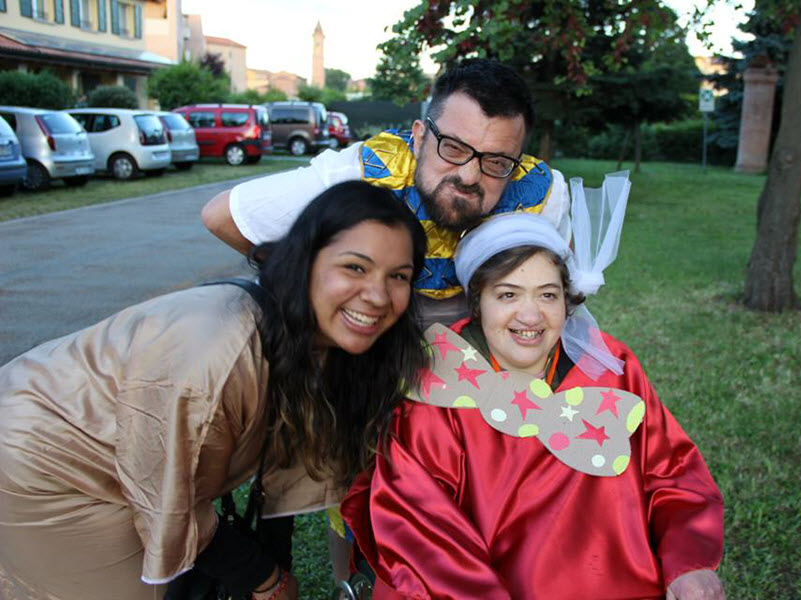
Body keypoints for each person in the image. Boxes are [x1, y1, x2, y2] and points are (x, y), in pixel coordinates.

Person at [0, 181, 429, 600]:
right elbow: (169, 499)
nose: (377, 295)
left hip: (134, 466)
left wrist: (274, 568)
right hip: (45, 462)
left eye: (399, 276)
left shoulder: (326, 345)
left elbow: (284, 473)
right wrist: (264, 578)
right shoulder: (217, 351)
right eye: (355, 267)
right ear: (305, 262)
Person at [341, 177, 726, 599]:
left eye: (547, 295)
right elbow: (420, 530)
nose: (530, 315)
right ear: (477, 301)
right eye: (507, 295)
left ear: (567, 301)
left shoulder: (609, 368)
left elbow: (671, 475)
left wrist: (687, 563)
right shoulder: (438, 386)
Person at [201, 58, 571, 327]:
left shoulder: (541, 197)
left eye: (496, 162)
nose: (469, 176)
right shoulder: (360, 174)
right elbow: (224, 217)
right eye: (453, 149)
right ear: (420, 136)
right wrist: (323, 291)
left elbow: (561, 298)